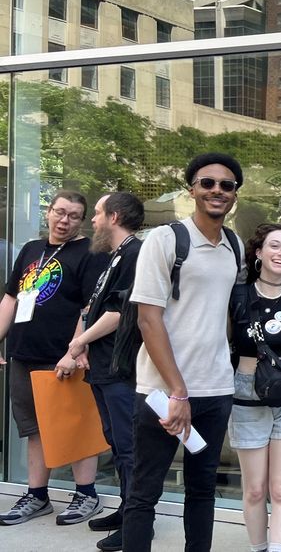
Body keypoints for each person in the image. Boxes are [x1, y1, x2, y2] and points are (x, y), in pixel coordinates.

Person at [122, 153, 246, 552]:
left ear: (234, 195)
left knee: (203, 490)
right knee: (144, 491)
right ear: (191, 190)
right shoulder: (165, 239)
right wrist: (178, 391)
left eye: (226, 185)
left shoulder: (234, 245)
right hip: (163, 393)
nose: (217, 190)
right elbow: (148, 320)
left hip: (215, 389)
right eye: (207, 183)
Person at [0, 190, 108, 527]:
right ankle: (37, 495)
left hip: (62, 357)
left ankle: (86, 494)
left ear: (82, 221)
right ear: (48, 212)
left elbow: (91, 306)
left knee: (74, 426)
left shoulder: (90, 253)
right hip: (24, 353)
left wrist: (75, 350)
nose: (64, 220)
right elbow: (10, 298)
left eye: (73, 216)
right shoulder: (31, 249)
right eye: (60, 212)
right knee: (34, 429)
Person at [57, 192, 145, 551]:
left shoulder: (135, 254)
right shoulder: (116, 255)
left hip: (121, 369)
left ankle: (137, 524)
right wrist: (84, 344)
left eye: (96, 213)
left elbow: (121, 312)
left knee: (129, 447)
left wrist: (79, 343)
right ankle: (126, 509)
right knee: (117, 443)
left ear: (115, 216)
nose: (92, 220)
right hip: (105, 367)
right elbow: (97, 307)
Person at [228, 223, 281, 552]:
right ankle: (259, 547)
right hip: (246, 393)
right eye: (275, 246)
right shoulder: (238, 295)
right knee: (254, 489)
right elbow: (221, 342)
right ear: (259, 252)